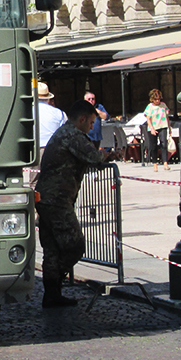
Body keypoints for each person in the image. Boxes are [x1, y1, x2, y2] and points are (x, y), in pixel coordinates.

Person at [35, 99, 111, 308]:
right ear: (82, 119)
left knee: (52, 249)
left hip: (46, 198)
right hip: (57, 200)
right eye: (91, 122)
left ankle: (51, 294)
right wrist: (106, 154)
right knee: (75, 246)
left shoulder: (62, 133)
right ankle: (55, 284)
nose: (92, 126)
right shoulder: (72, 135)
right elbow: (95, 157)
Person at [143, 88, 170, 172]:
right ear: (152, 99)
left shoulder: (163, 105)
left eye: (159, 99)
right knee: (153, 146)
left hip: (163, 126)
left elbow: (167, 116)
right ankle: (155, 163)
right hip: (153, 127)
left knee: (164, 144)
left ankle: (165, 163)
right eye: (155, 99)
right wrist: (151, 128)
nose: (157, 101)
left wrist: (169, 127)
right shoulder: (150, 107)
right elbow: (148, 118)